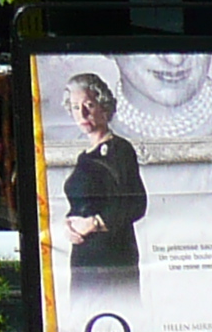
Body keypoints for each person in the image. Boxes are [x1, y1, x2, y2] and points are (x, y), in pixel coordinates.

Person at [60, 71, 147, 307]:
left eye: (89, 105)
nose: (83, 114)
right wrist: (69, 224)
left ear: (104, 106)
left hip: (112, 255)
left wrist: (94, 222)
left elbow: (135, 204)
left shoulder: (119, 150)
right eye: (76, 107)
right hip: (84, 256)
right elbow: (82, 203)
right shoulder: (83, 157)